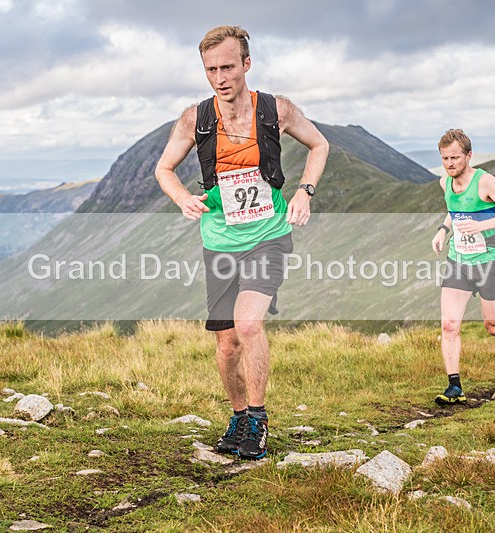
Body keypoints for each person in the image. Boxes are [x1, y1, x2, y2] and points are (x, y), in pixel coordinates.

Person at [155, 26, 329, 458]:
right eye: (211, 69)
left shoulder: (276, 110)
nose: (220, 77)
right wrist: (183, 199)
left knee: (249, 324)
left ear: (246, 65)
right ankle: (237, 418)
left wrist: (304, 191)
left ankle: (257, 419)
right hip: (219, 240)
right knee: (227, 342)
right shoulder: (195, 119)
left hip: (268, 236)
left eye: (228, 67)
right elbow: (164, 169)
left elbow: (319, 144)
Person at [431, 129, 495, 405]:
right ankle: (454, 387)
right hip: (458, 261)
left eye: (455, 158)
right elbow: (454, 209)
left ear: (469, 156)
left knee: (494, 326)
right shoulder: (444, 182)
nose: (450, 163)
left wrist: (480, 225)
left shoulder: (485, 182)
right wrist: (442, 230)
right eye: (445, 158)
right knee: (449, 326)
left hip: (490, 262)